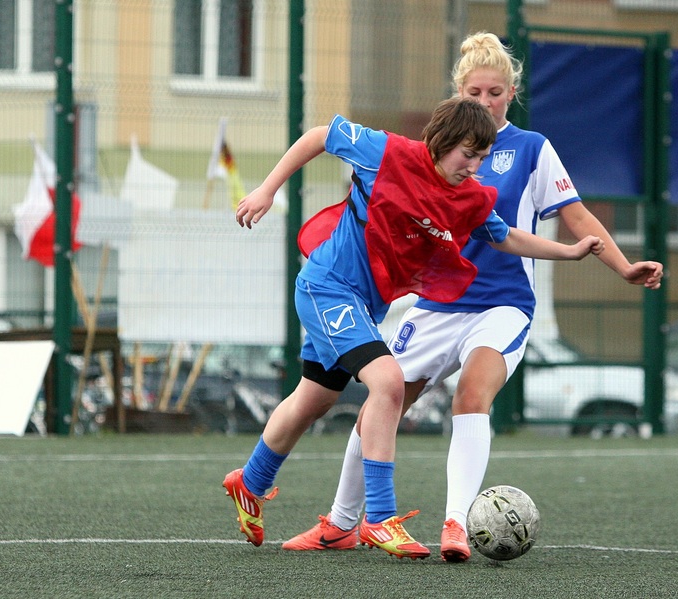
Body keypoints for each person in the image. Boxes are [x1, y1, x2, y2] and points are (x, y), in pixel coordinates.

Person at [282, 32, 664, 562]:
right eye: (475, 93)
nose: (485, 102)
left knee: (472, 396)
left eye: (496, 92)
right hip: (437, 304)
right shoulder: (436, 149)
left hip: (503, 304)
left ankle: (457, 525)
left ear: (513, 93)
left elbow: (572, 216)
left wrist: (622, 266)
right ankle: (342, 523)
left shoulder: (532, 149)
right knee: (385, 400)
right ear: (458, 94)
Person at [224, 96, 605, 560]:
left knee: (314, 399)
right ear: (442, 142)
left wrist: (568, 251)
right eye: (468, 153)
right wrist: (267, 189)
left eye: (483, 157)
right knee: (388, 382)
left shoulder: (466, 196)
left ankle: (251, 480)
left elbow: (504, 236)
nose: (475, 166)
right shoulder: (387, 152)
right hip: (327, 286)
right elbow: (319, 137)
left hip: (365, 304)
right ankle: (380, 519)